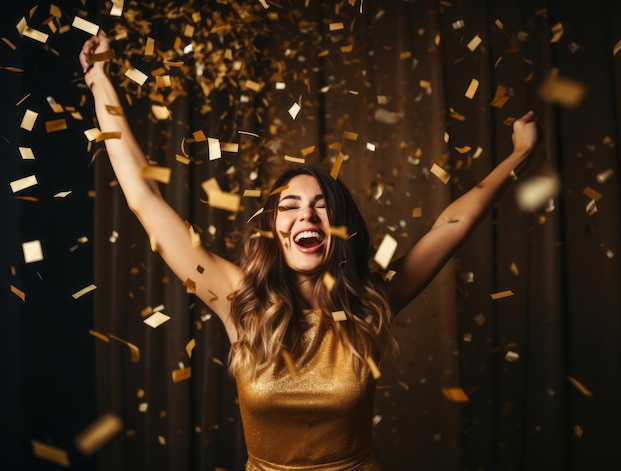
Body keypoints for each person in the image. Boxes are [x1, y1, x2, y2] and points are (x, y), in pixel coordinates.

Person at [80, 30, 539, 471]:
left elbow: (450, 225)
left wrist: (517, 157)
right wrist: (99, 78)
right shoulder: (237, 299)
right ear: (272, 227)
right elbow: (145, 200)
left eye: (322, 207)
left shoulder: (369, 300)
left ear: (339, 230)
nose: (307, 217)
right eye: (291, 207)